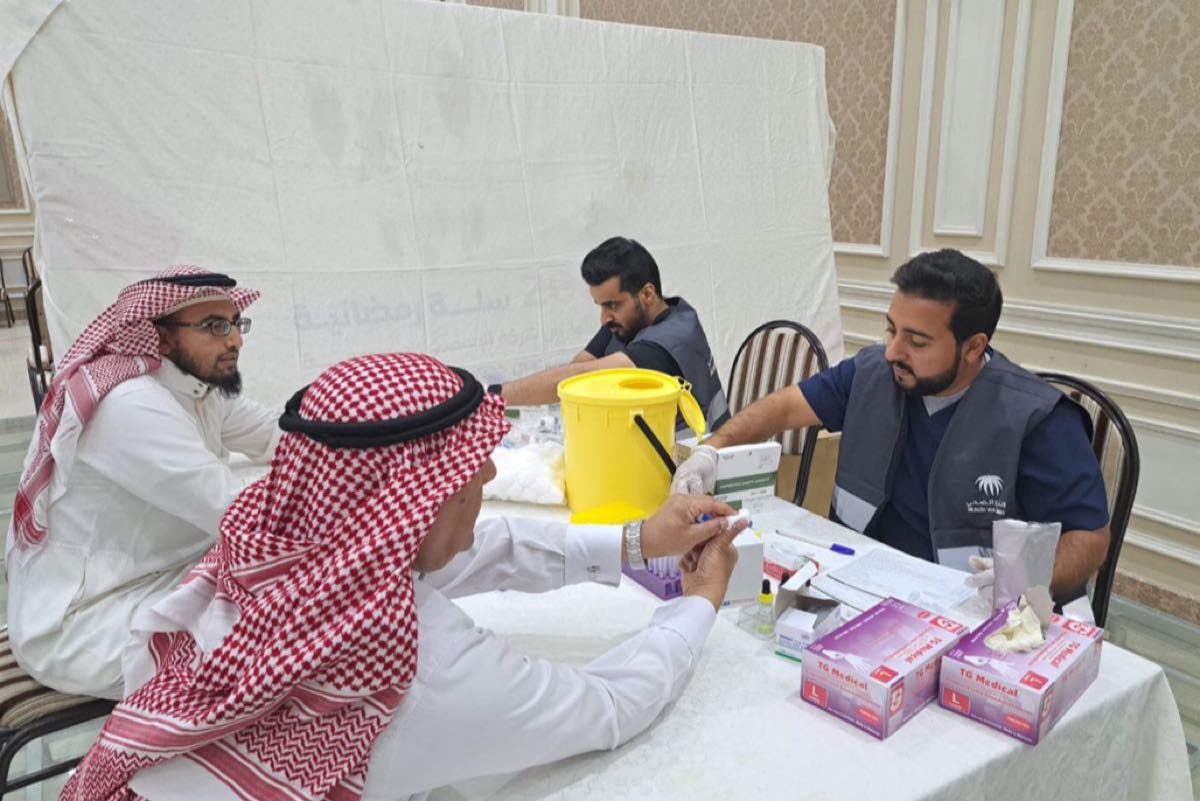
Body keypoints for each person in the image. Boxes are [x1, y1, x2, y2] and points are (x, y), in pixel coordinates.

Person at [63, 352, 747, 801]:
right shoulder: (413, 667)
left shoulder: (279, 555)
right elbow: (607, 706)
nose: (487, 473)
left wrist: (637, 541)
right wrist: (700, 601)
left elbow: (484, 547)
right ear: (418, 499)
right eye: (471, 465)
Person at [673, 249, 1110, 601]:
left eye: (917, 341)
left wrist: (1023, 577)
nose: (893, 352)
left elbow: (1089, 538)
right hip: (857, 582)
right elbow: (784, 409)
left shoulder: (1037, 419)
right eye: (892, 331)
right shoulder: (873, 374)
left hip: (965, 605)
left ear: (974, 347)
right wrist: (712, 450)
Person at [5, 266, 279, 698]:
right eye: (214, 326)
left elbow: (278, 436)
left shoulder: (197, 387)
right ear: (161, 338)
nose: (235, 341)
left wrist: (358, 438)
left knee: (293, 582)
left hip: (154, 576)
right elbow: (237, 513)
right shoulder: (130, 405)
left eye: (234, 323)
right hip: (86, 624)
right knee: (292, 627)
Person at [494, 236, 730, 433]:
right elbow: (580, 365)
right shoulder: (636, 319)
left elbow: (574, 379)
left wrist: (492, 396)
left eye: (612, 305)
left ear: (647, 294)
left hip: (695, 464)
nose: (604, 318)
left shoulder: (664, 346)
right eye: (600, 306)